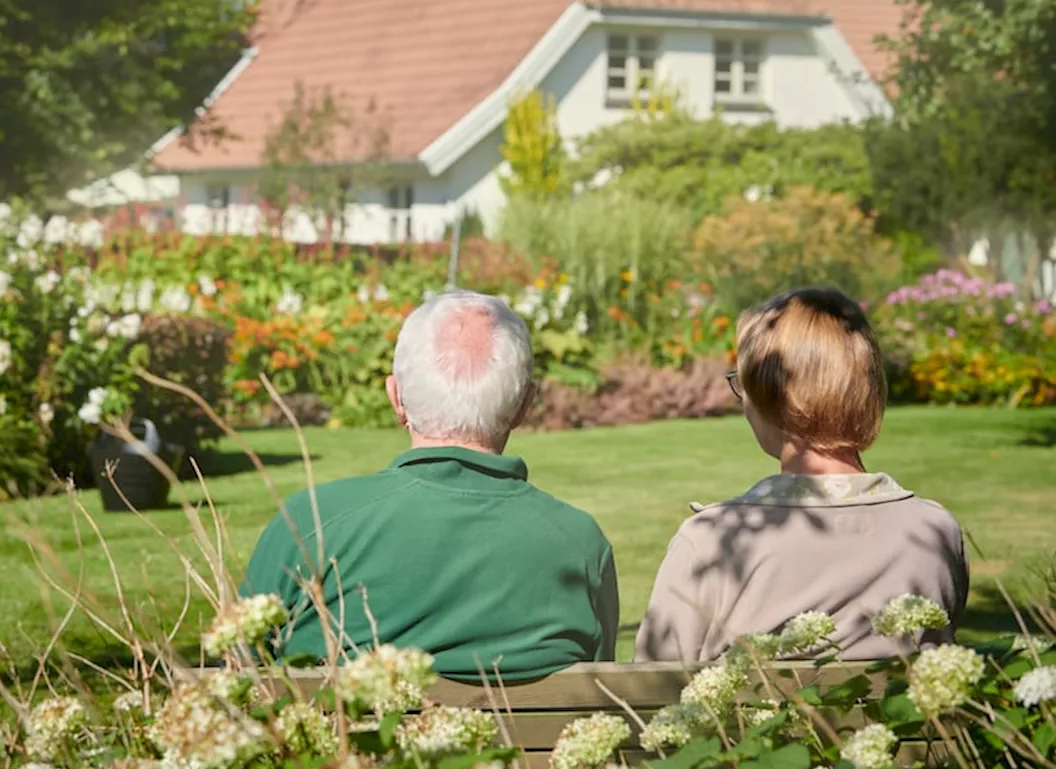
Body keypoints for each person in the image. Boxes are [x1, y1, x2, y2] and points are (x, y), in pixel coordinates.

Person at [242, 289, 619, 681]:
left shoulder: (310, 524)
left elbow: (235, 674)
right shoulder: (581, 546)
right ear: (525, 405)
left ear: (396, 396)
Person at [635, 287, 969, 662]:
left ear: (770, 394)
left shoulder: (712, 543)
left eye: (742, 383)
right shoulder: (935, 532)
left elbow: (652, 693)